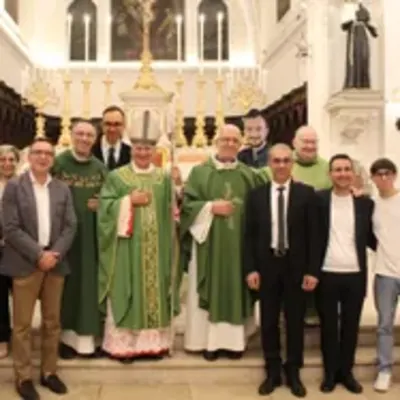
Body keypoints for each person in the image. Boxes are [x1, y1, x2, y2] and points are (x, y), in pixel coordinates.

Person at [98, 109, 179, 362]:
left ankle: (151, 345)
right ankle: (124, 346)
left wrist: (177, 190)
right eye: (138, 148)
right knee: (128, 291)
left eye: (148, 148)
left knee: (154, 293)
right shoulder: (117, 176)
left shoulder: (163, 178)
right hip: (127, 249)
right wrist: (127, 202)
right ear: (131, 148)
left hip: (157, 249)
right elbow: (104, 209)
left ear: (155, 150)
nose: (143, 153)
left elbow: (173, 212)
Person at [0, 137, 76, 400]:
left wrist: (54, 253)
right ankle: (23, 377)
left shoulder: (62, 189)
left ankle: (49, 372)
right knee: (21, 325)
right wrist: (38, 254)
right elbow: (10, 228)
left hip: (55, 262)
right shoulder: (14, 187)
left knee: (52, 322)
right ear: (29, 157)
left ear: (53, 159)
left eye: (48, 153)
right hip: (25, 262)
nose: (43, 157)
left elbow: (70, 226)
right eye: (38, 153)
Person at [180, 124, 261, 361]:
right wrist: (210, 207)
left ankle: (235, 343)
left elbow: (259, 210)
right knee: (210, 286)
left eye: (235, 140)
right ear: (217, 142)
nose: (229, 144)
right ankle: (208, 343)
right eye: (225, 139)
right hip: (208, 246)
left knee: (236, 287)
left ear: (241, 144)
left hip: (239, 247)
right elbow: (186, 207)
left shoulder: (248, 175)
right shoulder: (200, 173)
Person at [244, 143, 319, 398]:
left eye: (286, 160)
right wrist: (251, 269)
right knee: (268, 321)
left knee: (295, 321)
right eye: (276, 161)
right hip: (267, 266)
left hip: (296, 267)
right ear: (269, 164)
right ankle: (272, 371)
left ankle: (294, 371)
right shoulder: (256, 196)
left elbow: (314, 236)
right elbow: (249, 236)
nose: (281, 165)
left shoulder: (306, 194)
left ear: (292, 163)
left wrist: (312, 271)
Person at [315, 154, 375, 394]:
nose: (342, 174)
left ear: (353, 173)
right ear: (330, 174)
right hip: (327, 272)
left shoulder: (365, 204)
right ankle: (330, 373)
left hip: (355, 273)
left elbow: (374, 237)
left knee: (351, 327)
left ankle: (347, 372)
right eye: (337, 170)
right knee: (328, 327)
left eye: (347, 169)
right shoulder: (319, 200)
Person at [52, 120, 108, 359]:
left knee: (87, 287)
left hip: (90, 239)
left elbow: (111, 199)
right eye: (80, 134)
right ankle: (64, 340)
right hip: (61, 238)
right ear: (72, 136)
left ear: (95, 139)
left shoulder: (100, 168)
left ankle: (86, 342)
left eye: (89, 135)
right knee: (65, 289)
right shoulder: (58, 163)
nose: (84, 139)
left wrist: (103, 204)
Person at [370, 158, 400, 393]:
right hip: (385, 273)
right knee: (384, 325)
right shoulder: (371, 204)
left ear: (394, 175)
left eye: (387, 173)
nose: (383, 177)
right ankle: (385, 370)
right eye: (379, 174)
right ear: (373, 178)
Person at [0, 144, 19, 359]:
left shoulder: (24, 185)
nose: (7, 164)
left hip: (19, 249)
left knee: (21, 295)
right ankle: (2, 338)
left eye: (11, 160)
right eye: (2, 160)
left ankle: (22, 337)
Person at [92, 105, 131, 170]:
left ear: (124, 126)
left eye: (117, 124)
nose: (112, 129)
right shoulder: (89, 151)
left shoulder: (131, 153)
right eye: (108, 124)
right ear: (102, 125)